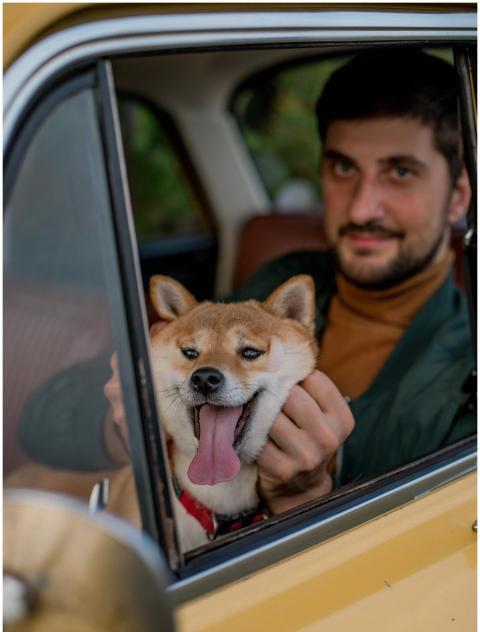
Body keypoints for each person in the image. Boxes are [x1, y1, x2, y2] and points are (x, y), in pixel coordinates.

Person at [19, 49, 475, 516]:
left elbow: (425, 562)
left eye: (400, 173)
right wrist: (128, 423)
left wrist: (304, 498)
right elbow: (42, 418)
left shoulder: (465, 376)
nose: (361, 208)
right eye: (343, 168)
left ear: (459, 197)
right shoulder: (276, 283)